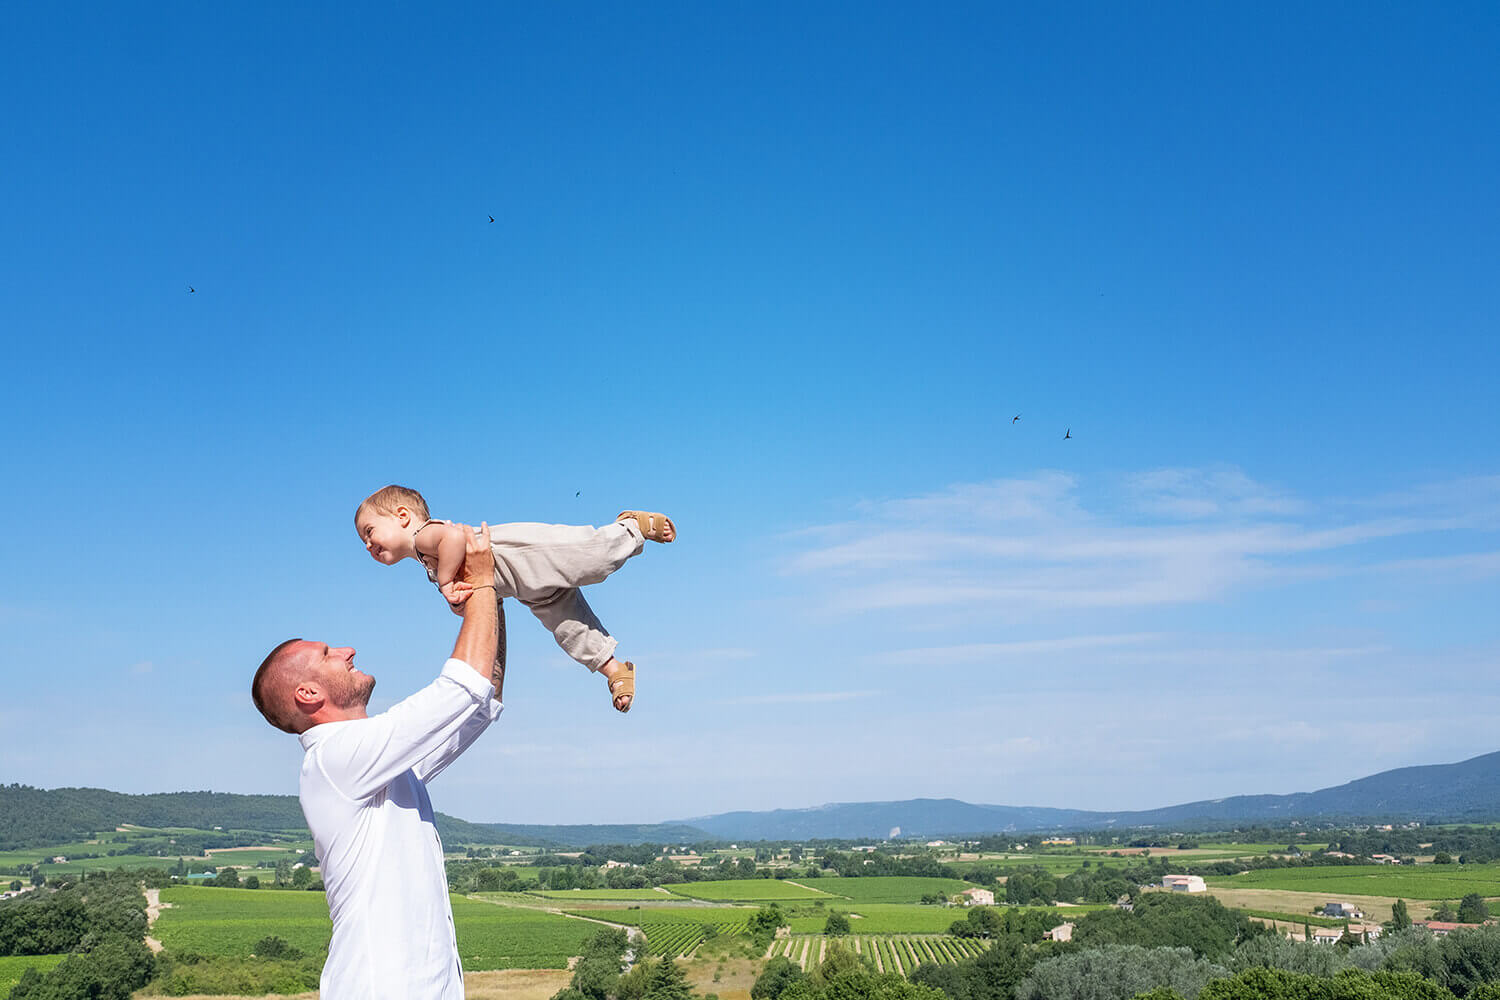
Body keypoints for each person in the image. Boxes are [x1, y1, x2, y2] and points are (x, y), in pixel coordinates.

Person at [251, 522, 504, 1000]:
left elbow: (478, 696)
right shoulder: (336, 759)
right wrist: (485, 581)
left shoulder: (375, 762)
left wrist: (493, 595)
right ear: (308, 693)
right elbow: (461, 686)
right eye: (328, 654)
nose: (347, 651)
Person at [354, 484, 676, 713]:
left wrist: (445, 581)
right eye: (363, 541)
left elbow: (453, 538)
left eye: (370, 532)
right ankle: (615, 669)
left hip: (521, 555)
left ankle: (631, 527)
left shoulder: (423, 535)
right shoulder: (425, 559)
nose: (368, 545)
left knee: (593, 558)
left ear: (402, 516)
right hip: (522, 587)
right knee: (569, 628)